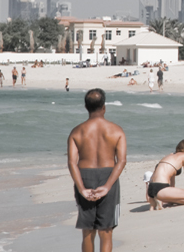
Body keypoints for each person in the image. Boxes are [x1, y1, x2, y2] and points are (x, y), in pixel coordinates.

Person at [67, 88, 127, 252]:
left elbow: (72, 162)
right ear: (104, 107)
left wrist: (82, 189)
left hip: (84, 176)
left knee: (88, 232)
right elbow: (121, 161)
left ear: (86, 107)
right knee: (105, 231)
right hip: (108, 176)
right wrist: (107, 186)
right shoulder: (117, 130)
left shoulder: (76, 131)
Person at [146, 139, 184, 210]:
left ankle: (156, 200)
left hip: (151, 188)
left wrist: (172, 200)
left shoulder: (170, 156)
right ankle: (159, 199)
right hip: (161, 188)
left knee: (182, 198)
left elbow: (172, 184)